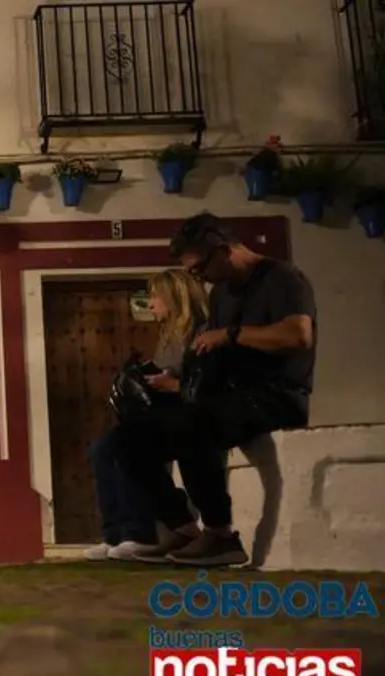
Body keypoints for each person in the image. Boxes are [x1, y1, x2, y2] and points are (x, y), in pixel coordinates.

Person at [115, 212, 316, 567]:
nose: (199, 277)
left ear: (224, 250)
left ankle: (221, 535)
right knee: (131, 438)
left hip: (275, 394)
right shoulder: (222, 292)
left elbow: (297, 334)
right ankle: (183, 528)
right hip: (228, 395)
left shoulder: (282, 278)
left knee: (193, 421)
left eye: (199, 268)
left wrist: (231, 335)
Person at [84, 269, 204, 561]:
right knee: (102, 449)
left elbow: (207, 382)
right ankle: (116, 534)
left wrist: (171, 384)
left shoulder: (201, 331)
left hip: (191, 416)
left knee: (128, 444)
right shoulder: (169, 334)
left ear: (175, 297)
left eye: (155, 296)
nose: (150, 304)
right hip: (163, 413)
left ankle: (140, 533)